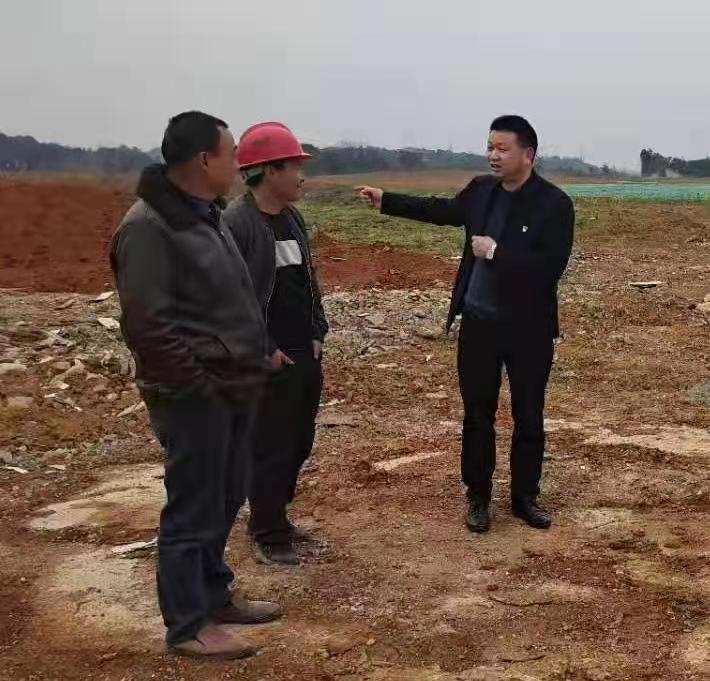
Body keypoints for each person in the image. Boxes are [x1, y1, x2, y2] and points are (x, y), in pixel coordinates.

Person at [110, 111, 282, 660]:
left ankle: (214, 595)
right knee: (193, 506)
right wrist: (197, 388)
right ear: (205, 160)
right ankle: (187, 625)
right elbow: (148, 326)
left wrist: (256, 352)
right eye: (232, 155)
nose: (238, 165)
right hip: (194, 395)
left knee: (225, 496)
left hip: (232, 386)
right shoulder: (149, 227)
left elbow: (229, 299)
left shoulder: (205, 215)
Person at [357, 115, 574, 534]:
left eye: (503, 148)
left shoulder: (554, 204)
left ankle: (525, 497)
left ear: (527, 154)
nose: (493, 155)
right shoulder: (480, 191)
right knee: (477, 415)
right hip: (479, 325)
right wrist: (387, 200)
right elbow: (441, 211)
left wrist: (495, 252)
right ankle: (478, 496)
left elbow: (549, 269)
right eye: (490, 146)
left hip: (528, 328)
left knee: (529, 415)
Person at [223, 122, 328, 566]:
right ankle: (267, 530)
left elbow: (309, 280)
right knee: (270, 445)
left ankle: (276, 516)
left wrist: (318, 330)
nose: (302, 176)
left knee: (299, 441)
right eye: (294, 167)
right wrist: (264, 347)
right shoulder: (237, 223)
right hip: (267, 357)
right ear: (269, 171)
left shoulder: (291, 218)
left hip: (304, 350)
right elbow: (231, 296)